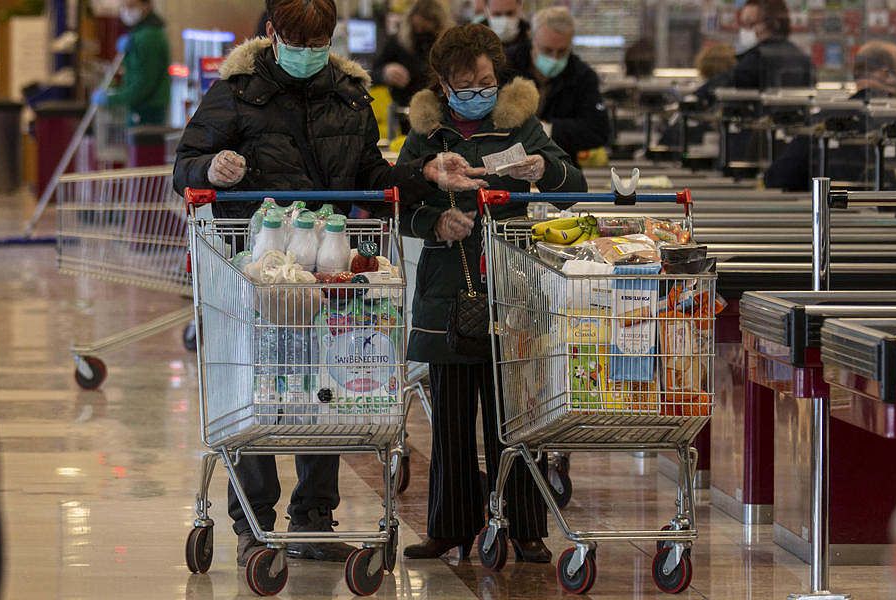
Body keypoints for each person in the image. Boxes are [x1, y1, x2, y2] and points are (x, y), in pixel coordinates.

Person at [173, 0, 485, 567]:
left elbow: (369, 174)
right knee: (258, 383)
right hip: (258, 265)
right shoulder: (237, 90)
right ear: (272, 33)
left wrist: (423, 175)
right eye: (298, 40)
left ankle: (314, 516)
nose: (309, 53)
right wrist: (211, 168)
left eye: (320, 42)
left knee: (328, 385)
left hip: (330, 262)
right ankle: (254, 520)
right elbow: (186, 164)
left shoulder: (348, 91)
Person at [398, 23, 586, 563]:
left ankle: (526, 528)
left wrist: (544, 167)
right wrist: (435, 223)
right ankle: (448, 526)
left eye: (485, 80)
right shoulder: (426, 135)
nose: (477, 91)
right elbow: (402, 200)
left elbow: (571, 188)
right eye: (464, 82)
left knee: (516, 415)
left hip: (512, 287)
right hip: (446, 288)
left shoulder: (520, 123)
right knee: (452, 418)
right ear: (442, 83)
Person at [765, 41, 896, 191]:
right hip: (888, 211)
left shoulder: (824, 118)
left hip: (830, 210)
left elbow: (779, 176)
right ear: (885, 73)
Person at [511, 7, 609, 165]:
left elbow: (598, 131)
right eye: (547, 50)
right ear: (532, 38)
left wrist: (549, 129)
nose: (554, 58)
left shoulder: (582, 76)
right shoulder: (506, 66)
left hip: (560, 169)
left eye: (562, 51)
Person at [91, 0, 170, 126]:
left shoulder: (147, 37)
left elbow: (143, 85)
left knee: (143, 145)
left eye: (132, 6)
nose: (127, 11)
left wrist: (111, 99)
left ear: (147, 6)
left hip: (147, 110)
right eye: (124, 6)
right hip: (146, 107)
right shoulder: (142, 32)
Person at [372, 0, 454, 109]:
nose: (420, 32)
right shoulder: (398, 42)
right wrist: (385, 72)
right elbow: (373, 73)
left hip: (440, 107)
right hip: (404, 108)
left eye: (425, 29)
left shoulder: (448, 46)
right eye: (416, 28)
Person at [730, 0, 814, 90]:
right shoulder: (802, 58)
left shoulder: (755, 58)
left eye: (750, 23)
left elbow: (727, 86)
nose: (745, 29)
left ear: (770, 23)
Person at [482, 0, 532, 74]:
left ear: (520, 8)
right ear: (487, 10)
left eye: (509, 13)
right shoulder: (475, 38)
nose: (504, 20)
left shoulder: (532, 36)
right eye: (497, 14)